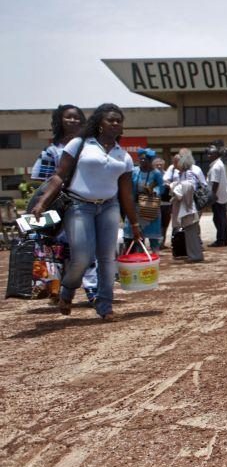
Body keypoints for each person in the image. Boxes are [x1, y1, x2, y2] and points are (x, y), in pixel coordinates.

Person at [31, 103, 142, 320]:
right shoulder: (80, 144)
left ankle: (105, 305)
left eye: (119, 120)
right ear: (100, 123)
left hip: (109, 206)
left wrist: (135, 224)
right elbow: (58, 176)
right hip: (79, 206)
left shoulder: (124, 156)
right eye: (111, 119)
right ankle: (68, 290)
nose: (115, 123)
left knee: (107, 258)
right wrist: (42, 203)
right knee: (82, 257)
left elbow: (126, 195)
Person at [30, 104, 99, 305]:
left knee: (87, 249)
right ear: (59, 121)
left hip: (85, 204)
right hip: (59, 206)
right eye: (68, 117)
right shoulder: (52, 150)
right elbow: (41, 181)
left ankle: (93, 291)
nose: (73, 121)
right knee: (58, 250)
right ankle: (55, 290)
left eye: (77, 117)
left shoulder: (91, 147)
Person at [123, 148, 164, 251]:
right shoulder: (134, 171)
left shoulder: (156, 173)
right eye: (141, 159)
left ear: (150, 161)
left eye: (145, 159)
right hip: (136, 206)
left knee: (153, 236)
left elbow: (161, 188)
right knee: (137, 235)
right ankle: (141, 257)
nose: (142, 161)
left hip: (150, 206)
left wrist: (153, 190)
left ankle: (155, 256)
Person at [170, 148, 204, 262]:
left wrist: (177, 187)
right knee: (190, 231)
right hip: (188, 206)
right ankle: (193, 254)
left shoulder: (191, 172)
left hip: (191, 206)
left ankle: (195, 255)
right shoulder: (183, 172)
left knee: (192, 231)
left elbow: (191, 187)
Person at [206, 145, 227, 247]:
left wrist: (212, 196)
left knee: (218, 219)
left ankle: (220, 240)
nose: (208, 156)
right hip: (222, 196)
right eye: (208, 154)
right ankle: (225, 239)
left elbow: (215, 183)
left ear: (216, 155)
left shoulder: (216, 166)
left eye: (210, 154)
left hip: (217, 196)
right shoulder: (219, 164)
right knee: (223, 218)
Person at [157, 154, 178, 244]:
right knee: (157, 224)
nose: (159, 166)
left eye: (161, 164)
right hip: (156, 203)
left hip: (167, 203)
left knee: (165, 224)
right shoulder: (152, 175)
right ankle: (157, 242)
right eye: (157, 164)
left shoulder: (167, 175)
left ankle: (162, 242)